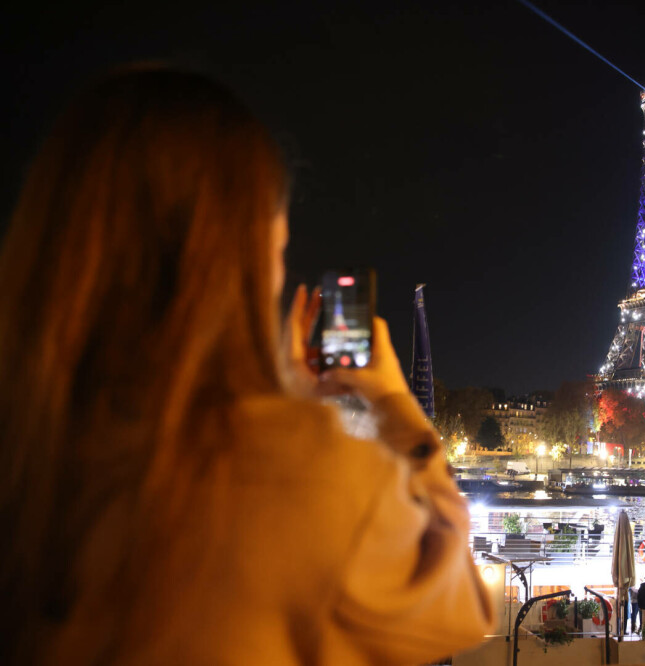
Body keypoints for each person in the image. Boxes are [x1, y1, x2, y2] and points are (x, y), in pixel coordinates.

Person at [0, 66, 493, 665]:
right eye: (276, 252)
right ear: (240, 266)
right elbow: (460, 604)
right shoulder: (306, 476)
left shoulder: (32, 456)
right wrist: (392, 404)